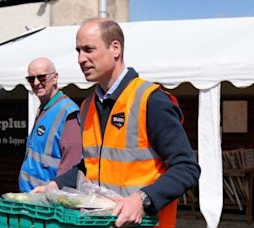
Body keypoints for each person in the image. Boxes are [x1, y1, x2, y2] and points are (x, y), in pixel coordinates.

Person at [32, 18, 200, 227]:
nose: (80, 59)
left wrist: (143, 199)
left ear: (115, 48)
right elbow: (90, 165)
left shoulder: (150, 100)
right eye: (78, 51)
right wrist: (56, 184)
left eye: (89, 49)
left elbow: (187, 168)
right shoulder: (86, 107)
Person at [18, 57, 82, 193]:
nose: (36, 83)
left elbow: (71, 164)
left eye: (41, 77)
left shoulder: (67, 111)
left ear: (55, 78)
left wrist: (55, 194)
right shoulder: (45, 107)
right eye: (31, 79)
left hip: (49, 204)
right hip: (34, 199)